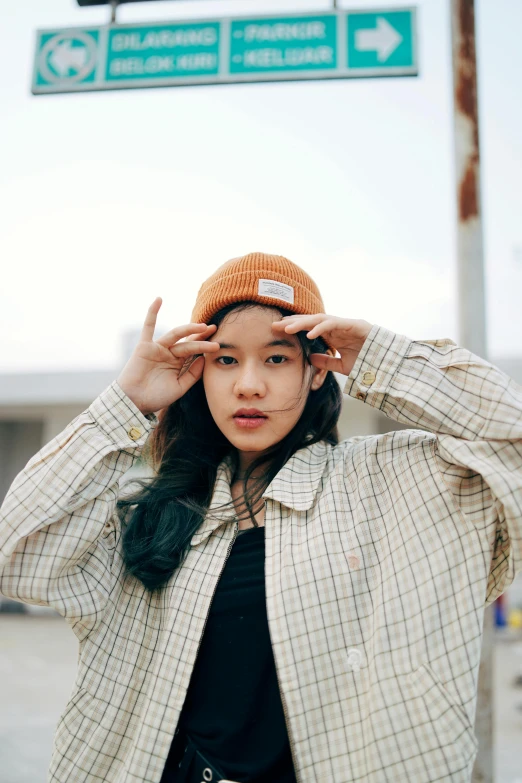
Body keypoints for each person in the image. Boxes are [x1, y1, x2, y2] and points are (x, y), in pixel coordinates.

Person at [0, 251, 521, 783]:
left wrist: (381, 358)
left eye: (276, 358)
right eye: (226, 360)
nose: (249, 385)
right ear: (198, 371)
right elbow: (18, 559)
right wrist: (125, 403)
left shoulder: (394, 483)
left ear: (315, 370)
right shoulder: (156, 514)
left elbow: (514, 441)